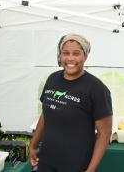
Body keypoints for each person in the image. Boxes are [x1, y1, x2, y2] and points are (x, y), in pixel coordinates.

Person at [29, 33, 113, 172]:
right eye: (65, 53)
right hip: (46, 161)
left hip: (76, 165)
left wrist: (90, 170)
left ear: (85, 56)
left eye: (76, 53)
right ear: (60, 56)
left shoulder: (96, 88)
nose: (70, 58)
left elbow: (104, 134)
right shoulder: (52, 79)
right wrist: (33, 145)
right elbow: (46, 115)